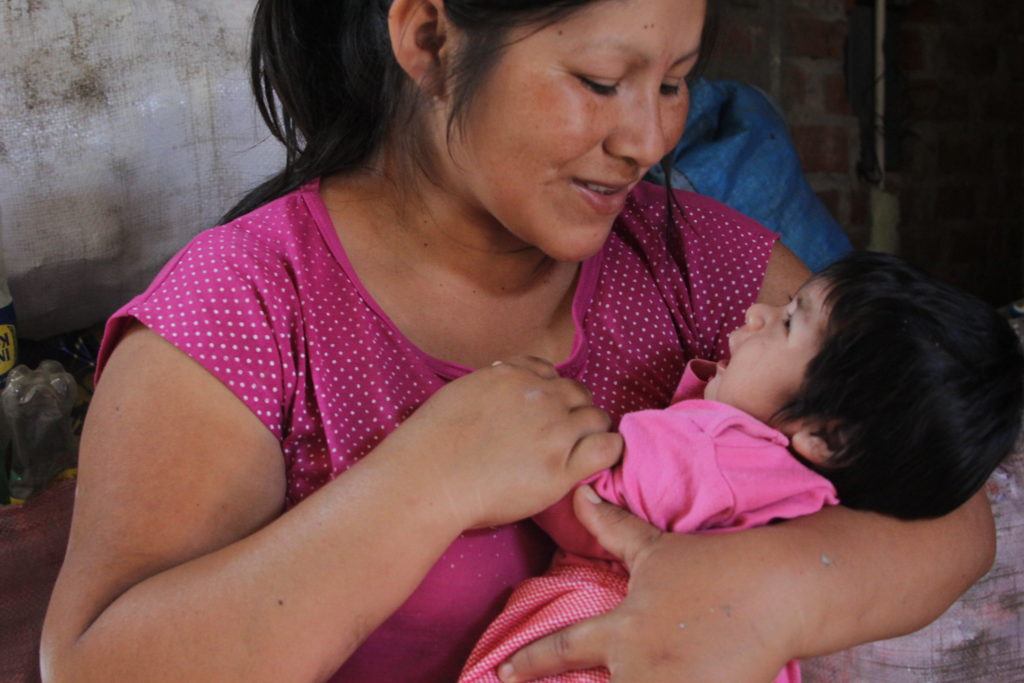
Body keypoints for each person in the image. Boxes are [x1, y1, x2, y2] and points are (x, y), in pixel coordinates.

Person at [40, 2, 996, 682]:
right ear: (430, 39)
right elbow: (92, 667)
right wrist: (424, 484)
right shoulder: (249, 308)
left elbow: (950, 504)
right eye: (601, 80)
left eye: (673, 82)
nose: (649, 138)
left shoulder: (692, 259)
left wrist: (768, 593)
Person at [460, 251, 1024, 682]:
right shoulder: (815, 491)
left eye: (786, 323)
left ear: (827, 436)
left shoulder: (709, 446)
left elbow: (586, 500)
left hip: (612, 643)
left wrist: (519, 442)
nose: (757, 311)